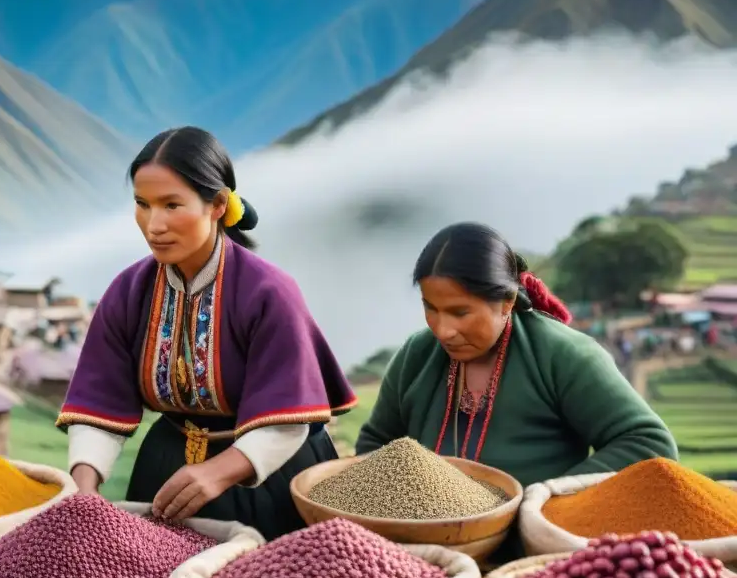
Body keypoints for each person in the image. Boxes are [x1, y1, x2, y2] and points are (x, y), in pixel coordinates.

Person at [56, 126, 357, 540]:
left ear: (217, 204)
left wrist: (218, 472)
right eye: (142, 205)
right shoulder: (129, 292)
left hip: (270, 476)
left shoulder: (268, 292)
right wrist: (84, 491)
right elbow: (99, 402)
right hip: (166, 470)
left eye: (171, 205)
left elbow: (290, 417)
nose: (153, 224)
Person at [356, 222, 678, 490]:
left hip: (533, 546)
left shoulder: (563, 355)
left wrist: (549, 497)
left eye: (460, 312)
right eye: (431, 308)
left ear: (507, 302)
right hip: (426, 545)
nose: (443, 330)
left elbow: (649, 444)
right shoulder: (417, 355)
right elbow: (376, 441)